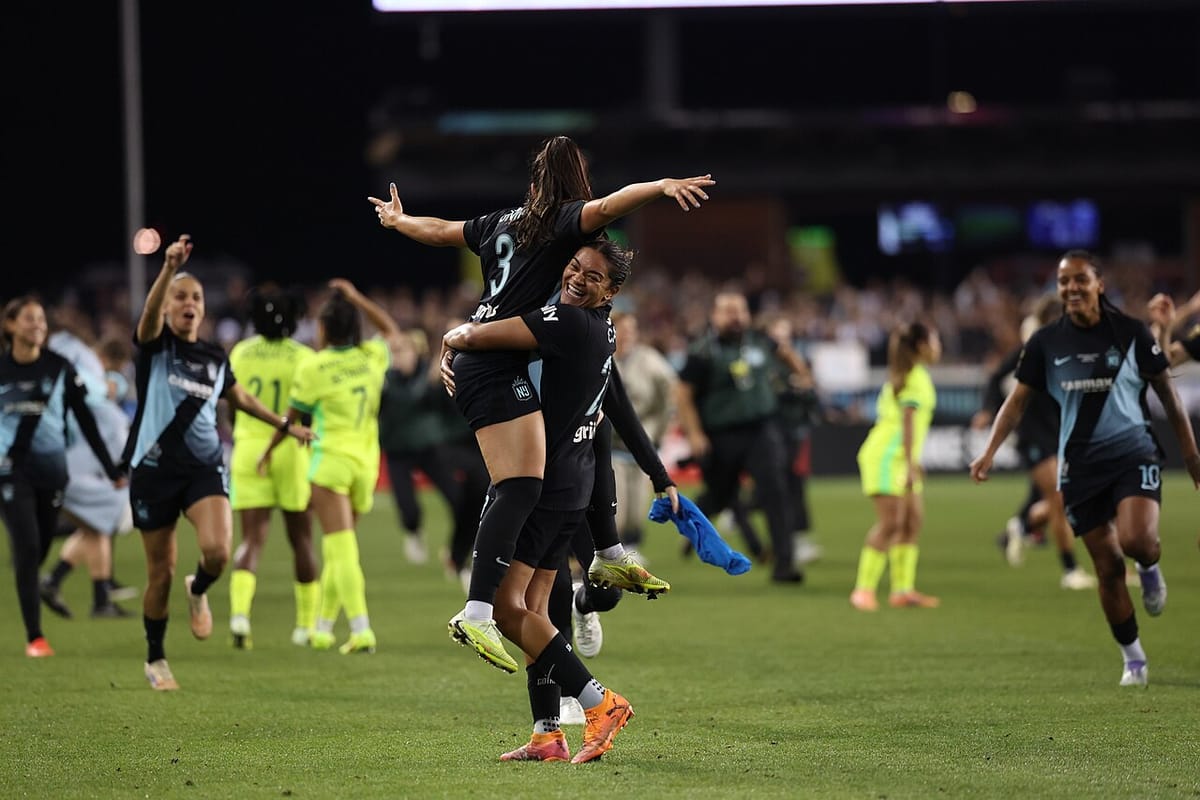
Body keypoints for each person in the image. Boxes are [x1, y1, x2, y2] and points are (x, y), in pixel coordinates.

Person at [370, 135, 711, 655]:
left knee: (573, 437)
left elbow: (440, 231)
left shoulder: (502, 222)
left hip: (498, 353)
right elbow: (612, 204)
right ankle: (481, 607)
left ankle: (601, 555)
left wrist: (398, 223)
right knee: (523, 484)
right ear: (573, 186)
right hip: (496, 358)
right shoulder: (561, 222)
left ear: (533, 184)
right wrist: (660, 187)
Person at [443, 239, 636, 764]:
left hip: (545, 484)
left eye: (591, 276)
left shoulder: (567, 322)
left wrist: (452, 340)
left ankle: (601, 702)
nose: (575, 278)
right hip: (572, 483)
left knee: (507, 610)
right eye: (573, 267)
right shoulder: (603, 328)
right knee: (534, 609)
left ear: (611, 290)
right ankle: (547, 733)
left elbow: (481, 335)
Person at [970, 250, 1200, 687]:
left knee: (1136, 541)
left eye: (1079, 280)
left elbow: (1168, 395)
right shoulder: (1044, 343)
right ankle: (1133, 657)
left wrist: (1192, 459)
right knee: (1108, 568)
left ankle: (1150, 568)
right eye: (1063, 282)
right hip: (1080, 467)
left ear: (1098, 284)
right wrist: (989, 451)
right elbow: (1016, 401)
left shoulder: (1131, 333)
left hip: (1133, 454)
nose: (1071, 288)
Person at [128, 235, 315, 690]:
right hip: (153, 470)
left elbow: (240, 398)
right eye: (180, 297)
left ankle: (198, 590)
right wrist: (168, 269)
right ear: (168, 305)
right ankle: (156, 658)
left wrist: (285, 426)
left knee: (216, 552)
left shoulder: (215, 356)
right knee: (159, 572)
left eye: (195, 297)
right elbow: (148, 320)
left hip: (203, 467)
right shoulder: (155, 345)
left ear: (203, 308)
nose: (188, 303)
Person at [260, 279, 402, 655]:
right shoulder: (371, 358)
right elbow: (390, 329)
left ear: (323, 329)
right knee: (342, 551)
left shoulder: (315, 367)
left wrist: (269, 450)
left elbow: (291, 419)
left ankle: (361, 629)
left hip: (330, 463)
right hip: (365, 465)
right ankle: (323, 628)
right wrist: (358, 296)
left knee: (340, 552)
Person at [0, 296, 126, 656]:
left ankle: (47, 574)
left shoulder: (60, 368)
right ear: (10, 326)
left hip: (52, 474)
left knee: (36, 547)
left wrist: (110, 468)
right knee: (25, 547)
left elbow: (86, 420)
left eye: (41, 319)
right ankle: (35, 637)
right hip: (10, 472)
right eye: (29, 319)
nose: (38, 325)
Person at [674, 291, 808, 583]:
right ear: (715, 316)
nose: (735, 317)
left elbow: (786, 353)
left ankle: (785, 565)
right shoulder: (703, 351)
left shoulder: (760, 341)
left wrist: (802, 374)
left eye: (740, 311)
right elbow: (683, 395)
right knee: (719, 496)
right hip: (720, 435)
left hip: (762, 429)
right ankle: (690, 529)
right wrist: (695, 434)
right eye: (728, 311)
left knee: (776, 491)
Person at [971, 294, 1096, 590]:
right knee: (1058, 500)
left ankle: (1020, 527)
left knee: (1059, 499)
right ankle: (1070, 570)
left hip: (1059, 433)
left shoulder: (1072, 352)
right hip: (1033, 433)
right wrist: (989, 410)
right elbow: (997, 380)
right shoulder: (1031, 351)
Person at [226, 287, 318, 649]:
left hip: (248, 447)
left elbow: (233, 405)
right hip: (292, 448)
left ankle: (239, 616)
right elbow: (308, 409)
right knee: (302, 540)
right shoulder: (303, 356)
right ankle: (306, 627)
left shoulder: (240, 352)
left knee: (251, 540)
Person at [39, 324, 136, 619]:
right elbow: (123, 450)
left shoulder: (72, 392)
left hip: (58, 468)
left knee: (95, 528)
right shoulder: (103, 407)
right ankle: (59, 581)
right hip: (70, 475)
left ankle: (94, 598)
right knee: (115, 511)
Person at [849, 321, 943, 611]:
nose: (938, 346)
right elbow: (907, 422)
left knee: (912, 520)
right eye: (935, 339)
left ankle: (903, 590)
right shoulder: (913, 377)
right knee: (891, 523)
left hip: (900, 457)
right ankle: (863, 590)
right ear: (922, 345)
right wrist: (912, 461)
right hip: (888, 456)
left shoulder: (912, 375)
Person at [609, 311, 677, 550]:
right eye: (623, 329)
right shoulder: (601, 356)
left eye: (632, 330)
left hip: (640, 441)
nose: (628, 335)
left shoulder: (649, 360)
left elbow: (669, 395)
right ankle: (614, 551)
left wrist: (656, 431)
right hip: (609, 444)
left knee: (637, 508)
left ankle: (632, 548)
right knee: (618, 506)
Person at [765, 315, 822, 568]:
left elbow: (811, 393)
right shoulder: (766, 364)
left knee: (794, 484)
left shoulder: (797, 361)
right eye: (778, 335)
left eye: (786, 335)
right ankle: (789, 540)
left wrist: (801, 389)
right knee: (783, 485)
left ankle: (795, 539)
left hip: (796, 431)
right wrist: (794, 388)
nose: (783, 341)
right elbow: (773, 395)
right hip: (774, 431)